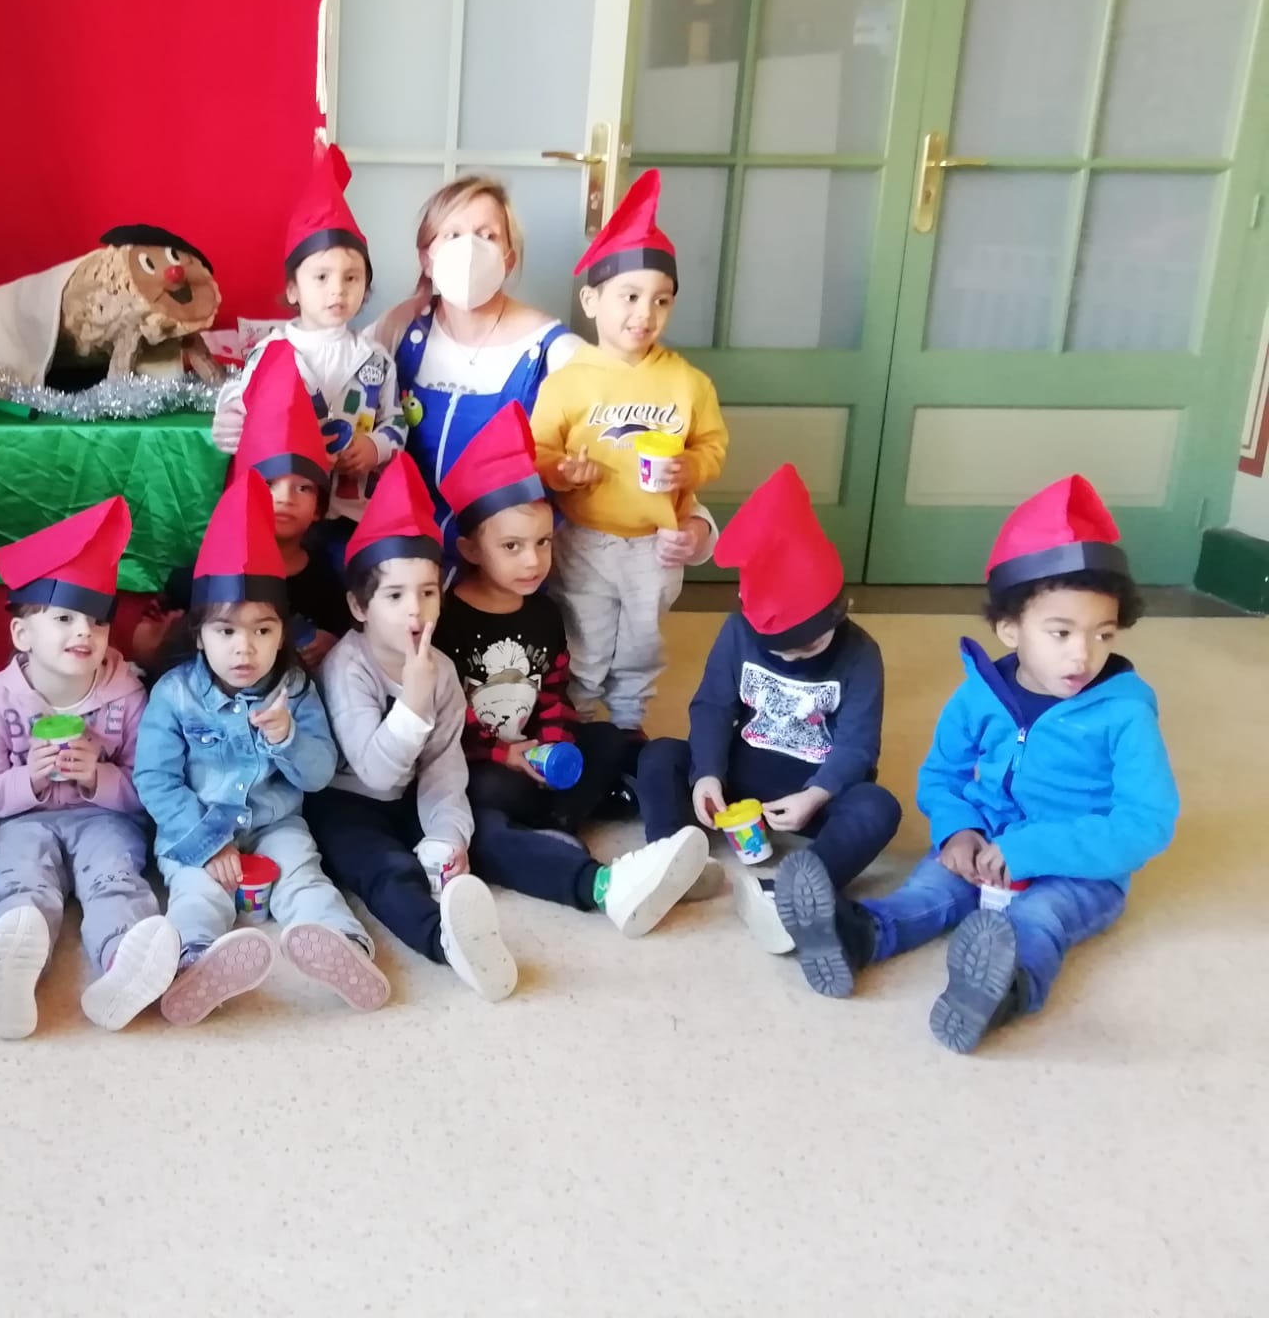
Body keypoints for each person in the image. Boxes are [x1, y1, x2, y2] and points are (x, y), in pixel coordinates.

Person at [775, 476, 1179, 1054]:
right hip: (984, 843)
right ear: (1010, 629)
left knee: (1039, 920)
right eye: (1061, 632)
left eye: (1103, 634)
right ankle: (855, 936)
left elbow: (1146, 822)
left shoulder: (1125, 713)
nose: (1082, 654)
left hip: (1079, 867)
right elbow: (942, 775)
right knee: (927, 891)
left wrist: (1032, 851)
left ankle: (1002, 990)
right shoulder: (978, 696)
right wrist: (957, 829)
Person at [433, 404, 708, 935]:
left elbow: (553, 691)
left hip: (537, 757)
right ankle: (584, 864)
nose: (532, 561)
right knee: (483, 817)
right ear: (470, 548)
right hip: (481, 766)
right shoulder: (448, 618)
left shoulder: (543, 610)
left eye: (543, 543)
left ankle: (608, 826)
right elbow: (442, 717)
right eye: (511, 547)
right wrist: (504, 754)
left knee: (609, 739)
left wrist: (554, 743)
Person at [135, 470, 389, 1026]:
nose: (244, 649)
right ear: (199, 634)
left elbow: (318, 774)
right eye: (226, 632)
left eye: (263, 631)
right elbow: (155, 779)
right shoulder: (174, 695)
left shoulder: (294, 690)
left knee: (304, 877)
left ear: (282, 633)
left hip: (276, 824)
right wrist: (208, 843)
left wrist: (287, 738)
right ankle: (194, 961)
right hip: (196, 828)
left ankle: (345, 947)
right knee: (198, 893)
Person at [634, 465, 900, 953]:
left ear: (839, 611)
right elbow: (713, 705)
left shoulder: (861, 653)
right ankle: (670, 857)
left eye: (807, 647)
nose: (793, 659)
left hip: (814, 785)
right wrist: (707, 775)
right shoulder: (738, 631)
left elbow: (859, 745)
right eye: (780, 652)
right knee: (658, 755)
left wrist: (816, 795)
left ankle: (799, 887)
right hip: (742, 771)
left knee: (878, 807)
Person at [0, 498, 178, 1040]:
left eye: (98, 621)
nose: (84, 632)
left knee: (115, 876)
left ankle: (123, 964)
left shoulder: (128, 696)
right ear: (21, 635)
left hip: (103, 820)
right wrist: (29, 779)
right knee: (21, 875)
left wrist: (98, 777)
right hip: (22, 821)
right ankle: (15, 969)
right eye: (63, 618)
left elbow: (151, 788)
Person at [306, 454, 518, 1001]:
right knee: (383, 867)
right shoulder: (347, 667)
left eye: (427, 592)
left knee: (485, 835)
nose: (415, 611)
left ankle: (596, 882)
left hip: (407, 793)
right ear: (359, 606)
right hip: (345, 799)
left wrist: (448, 836)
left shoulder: (440, 670)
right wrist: (414, 699)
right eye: (395, 595)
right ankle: (444, 943)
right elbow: (375, 774)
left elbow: (443, 767)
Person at [531, 170, 726, 731]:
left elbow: (713, 446)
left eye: (661, 300)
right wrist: (563, 472)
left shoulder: (688, 383)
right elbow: (538, 450)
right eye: (630, 296)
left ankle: (626, 723)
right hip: (584, 538)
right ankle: (579, 718)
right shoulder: (568, 381)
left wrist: (691, 465)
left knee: (642, 640)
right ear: (592, 300)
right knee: (585, 635)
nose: (645, 314)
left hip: (655, 543)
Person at [212, 142, 404, 535]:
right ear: (293, 288)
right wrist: (231, 419)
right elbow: (241, 408)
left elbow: (396, 421)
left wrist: (376, 447)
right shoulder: (271, 354)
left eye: (351, 277)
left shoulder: (376, 359)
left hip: (353, 512)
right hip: (284, 511)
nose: (338, 290)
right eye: (321, 277)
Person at [132, 342, 352, 672]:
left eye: (303, 487)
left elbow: (344, 637)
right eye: (269, 484)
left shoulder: (325, 579)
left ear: (319, 508)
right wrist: (153, 643)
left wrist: (332, 645)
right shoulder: (196, 577)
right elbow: (146, 644)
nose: (285, 498)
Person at [366, 175, 577, 499]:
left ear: (508, 260)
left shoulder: (554, 349)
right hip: (407, 525)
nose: (469, 249)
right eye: (452, 235)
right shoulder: (399, 326)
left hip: (506, 530)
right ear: (426, 259)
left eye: (487, 235)